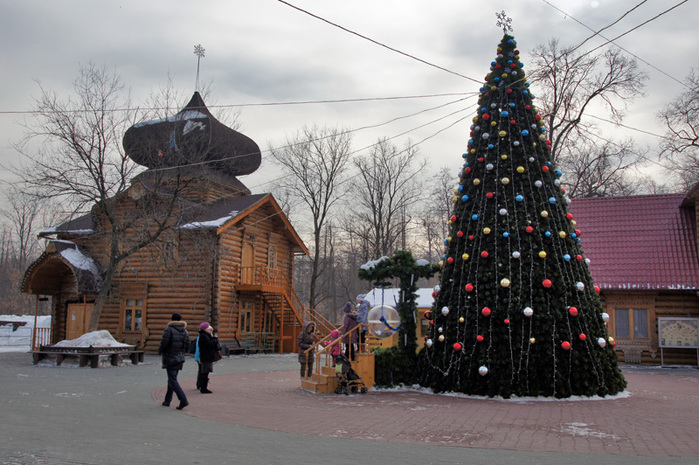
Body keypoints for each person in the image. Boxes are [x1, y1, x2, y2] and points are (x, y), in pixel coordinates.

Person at [158, 312, 190, 410]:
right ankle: (167, 401)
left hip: (170, 357)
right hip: (180, 358)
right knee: (172, 379)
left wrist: (161, 351)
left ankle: (183, 399)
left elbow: (164, 343)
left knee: (173, 380)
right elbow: (187, 346)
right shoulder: (185, 331)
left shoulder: (169, 329)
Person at [196, 322, 219, 394]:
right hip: (206, 356)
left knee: (205, 371)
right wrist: (215, 339)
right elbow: (209, 345)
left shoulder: (205, 335)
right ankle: (203, 388)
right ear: (205, 329)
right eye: (208, 328)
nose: (209, 329)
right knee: (204, 372)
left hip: (207, 356)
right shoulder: (204, 336)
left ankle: (202, 386)